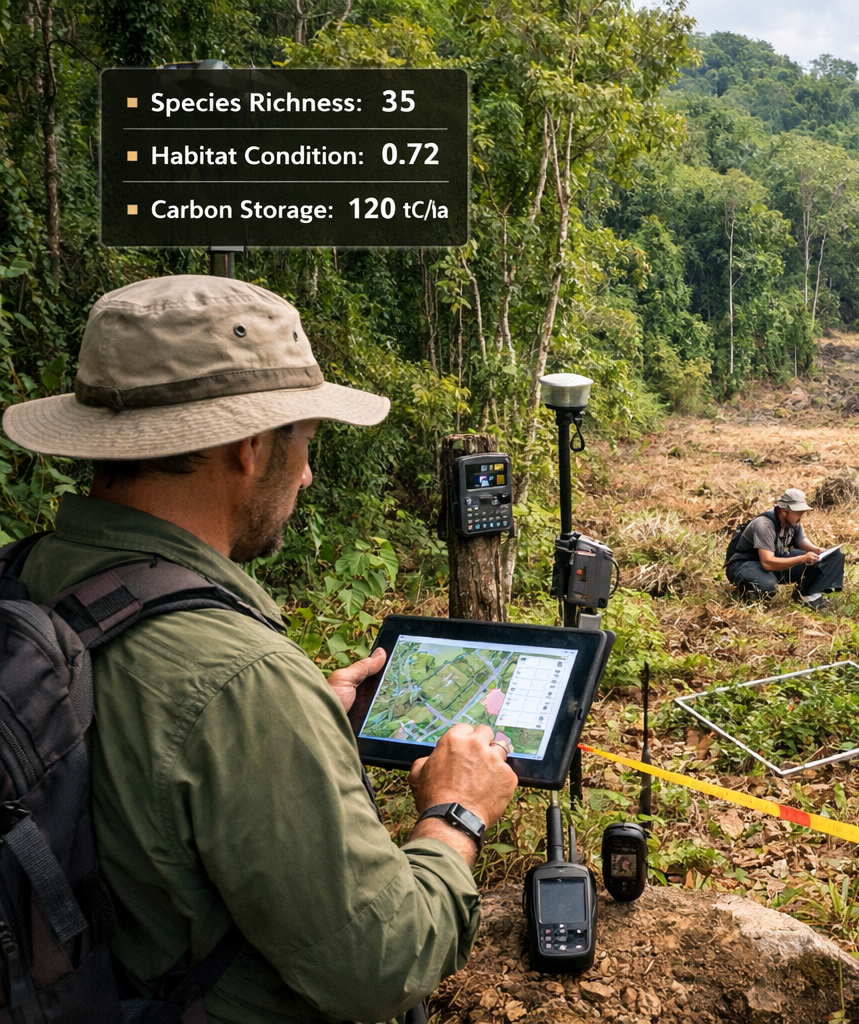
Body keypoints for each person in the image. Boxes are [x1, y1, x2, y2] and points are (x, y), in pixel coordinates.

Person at [1, 276, 518, 1023]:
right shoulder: (238, 682)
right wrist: (456, 814)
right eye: (304, 445)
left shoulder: (26, 577)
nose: (307, 474)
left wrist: (296, 726)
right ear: (250, 448)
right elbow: (383, 963)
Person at [724, 488, 844, 611]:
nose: (801, 515)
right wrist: (801, 559)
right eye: (798, 511)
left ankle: (804, 596)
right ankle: (746, 593)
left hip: (773, 559)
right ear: (784, 511)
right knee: (766, 585)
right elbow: (767, 563)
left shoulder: (793, 521)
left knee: (816, 563)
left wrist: (817, 550)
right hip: (745, 564)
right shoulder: (764, 525)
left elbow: (800, 540)